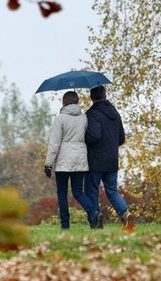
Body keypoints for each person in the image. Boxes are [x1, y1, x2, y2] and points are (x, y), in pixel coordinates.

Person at [43, 91, 99, 230]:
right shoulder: (84, 118)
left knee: (62, 193)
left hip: (63, 161)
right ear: (76, 101)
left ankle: (65, 225)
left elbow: (54, 143)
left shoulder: (60, 118)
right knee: (78, 192)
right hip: (80, 159)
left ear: (64, 102)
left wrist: (48, 164)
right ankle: (94, 213)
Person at [84, 84, 132, 229]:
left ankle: (95, 220)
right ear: (105, 95)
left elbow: (94, 136)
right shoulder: (115, 113)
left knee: (92, 191)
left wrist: (84, 137)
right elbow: (121, 138)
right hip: (112, 160)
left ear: (91, 97)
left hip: (95, 160)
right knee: (112, 191)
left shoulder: (91, 114)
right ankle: (125, 214)